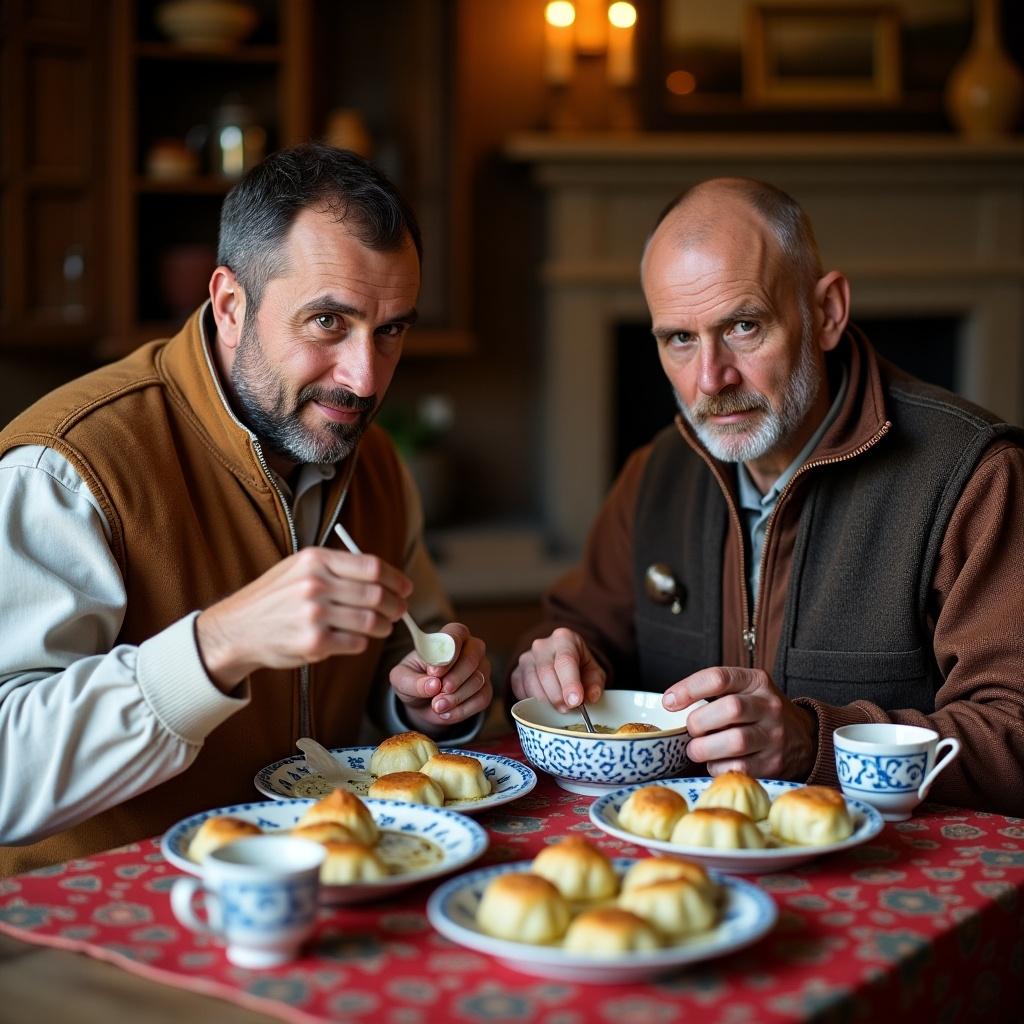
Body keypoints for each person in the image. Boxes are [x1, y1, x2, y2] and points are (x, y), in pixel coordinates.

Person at [0, 143, 493, 873]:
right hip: (94, 932)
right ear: (231, 305)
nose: (364, 378)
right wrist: (216, 646)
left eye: (390, 330)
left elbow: (401, 669)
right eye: (329, 322)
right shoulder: (67, 465)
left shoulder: (377, 463)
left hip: (319, 901)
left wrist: (424, 704)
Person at [510, 177, 1024, 816]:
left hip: (891, 880)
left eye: (744, 326)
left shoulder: (975, 474)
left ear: (828, 312)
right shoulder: (656, 472)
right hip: (686, 862)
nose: (710, 380)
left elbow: (1015, 733)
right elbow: (581, 631)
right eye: (679, 339)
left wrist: (817, 742)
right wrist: (557, 659)